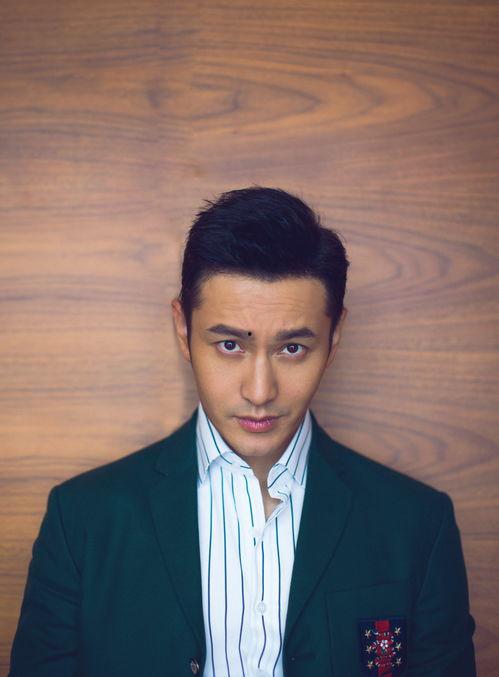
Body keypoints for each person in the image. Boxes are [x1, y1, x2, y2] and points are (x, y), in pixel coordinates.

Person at [9, 187, 476, 677]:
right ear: (183, 330)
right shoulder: (81, 520)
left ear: (334, 337)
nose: (259, 391)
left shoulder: (418, 524)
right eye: (230, 344)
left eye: (292, 349)